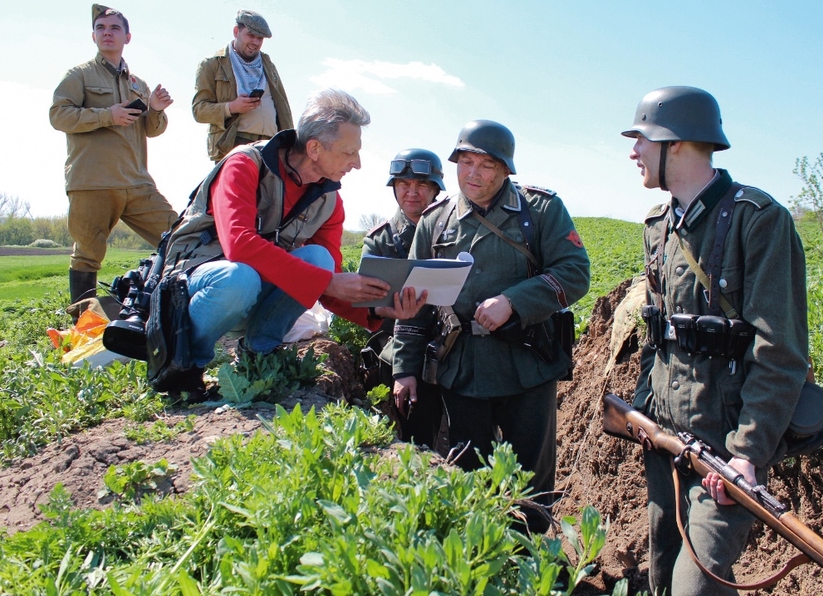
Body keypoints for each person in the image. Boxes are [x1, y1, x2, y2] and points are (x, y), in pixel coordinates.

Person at [622, 86, 808, 596]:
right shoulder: (659, 227)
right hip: (663, 438)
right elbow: (655, 334)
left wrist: (747, 453)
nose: (632, 151)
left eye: (641, 139)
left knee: (694, 588)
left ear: (675, 143)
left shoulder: (759, 220)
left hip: (724, 452)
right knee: (662, 574)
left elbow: (781, 351)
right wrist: (641, 412)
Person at [160, 89, 426, 400]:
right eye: (348, 152)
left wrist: (375, 309)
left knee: (319, 259)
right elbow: (240, 245)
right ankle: (184, 366)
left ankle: (258, 353)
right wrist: (328, 282)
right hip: (193, 279)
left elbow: (330, 280)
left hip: (248, 287)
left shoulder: (329, 200)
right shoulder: (245, 165)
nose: (357, 164)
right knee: (240, 277)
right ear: (314, 148)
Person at [391, 120, 590, 533]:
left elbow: (574, 273)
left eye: (485, 165)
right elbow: (415, 304)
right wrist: (404, 369)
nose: (473, 174)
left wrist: (514, 302)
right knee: (469, 476)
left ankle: (532, 562)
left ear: (505, 170)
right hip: (463, 367)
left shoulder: (540, 211)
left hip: (527, 364)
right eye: (465, 162)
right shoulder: (435, 221)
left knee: (531, 482)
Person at [50, 4, 178, 312]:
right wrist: (108, 115)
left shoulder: (138, 84)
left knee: (175, 235)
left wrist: (157, 109)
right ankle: (84, 328)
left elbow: (152, 129)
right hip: (93, 182)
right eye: (101, 28)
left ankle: (169, 311)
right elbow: (58, 115)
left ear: (127, 37)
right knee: (88, 254)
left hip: (136, 183)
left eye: (114, 28)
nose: (107, 33)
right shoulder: (79, 75)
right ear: (93, 36)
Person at [361, 148, 446, 448]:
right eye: (404, 185)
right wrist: (386, 308)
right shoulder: (381, 240)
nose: (412, 192)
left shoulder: (454, 230)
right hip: (398, 347)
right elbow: (366, 301)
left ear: (436, 189)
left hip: (451, 343)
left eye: (422, 185)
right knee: (415, 440)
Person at [192, 9, 293, 162]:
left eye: (260, 38)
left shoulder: (268, 64)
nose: (255, 42)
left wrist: (290, 144)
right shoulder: (212, 64)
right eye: (251, 35)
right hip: (234, 145)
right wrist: (231, 107)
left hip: (271, 147)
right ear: (236, 31)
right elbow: (199, 111)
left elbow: (282, 106)